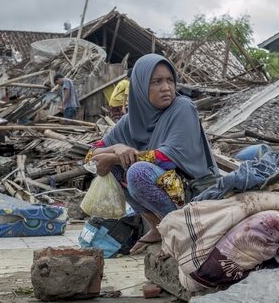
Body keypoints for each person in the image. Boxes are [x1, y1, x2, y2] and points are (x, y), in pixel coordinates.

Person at [87, 54, 218, 254]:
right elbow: (90, 157)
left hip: (195, 191)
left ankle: (179, 229)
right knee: (115, 167)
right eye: (156, 82)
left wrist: (115, 156)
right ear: (140, 86)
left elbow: (166, 159)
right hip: (167, 190)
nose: (166, 87)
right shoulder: (130, 121)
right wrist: (116, 148)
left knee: (137, 172)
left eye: (170, 80)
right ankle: (157, 225)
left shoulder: (183, 107)